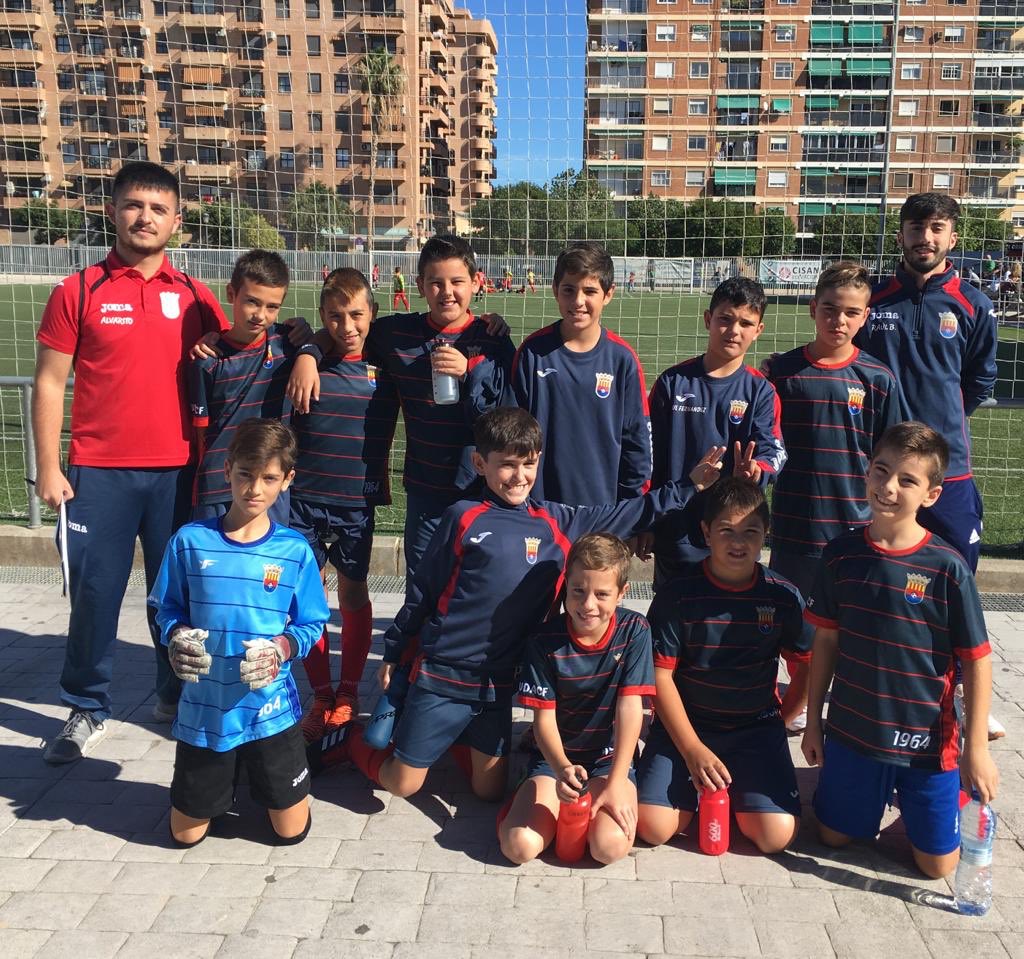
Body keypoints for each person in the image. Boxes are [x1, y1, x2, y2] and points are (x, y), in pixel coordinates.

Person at [330, 407, 689, 802]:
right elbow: (424, 592)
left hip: (497, 684)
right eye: (507, 465)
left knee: (489, 792)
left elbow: (630, 511)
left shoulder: (556, 522)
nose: (519, 476)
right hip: (445, 675)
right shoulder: (462, 517)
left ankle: (453, 740)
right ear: (480, 463)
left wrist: (690, 487)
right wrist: (396, 650)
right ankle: (352, 745)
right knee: (403, 784)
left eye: (529, 464)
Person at [33, 161, 229, 763]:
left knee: (174, 595)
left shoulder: (195, 296)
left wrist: (301, 344)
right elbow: (48, 383)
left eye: (158, 208)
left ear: (177, 219)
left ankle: (174, 694)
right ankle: (86, 706)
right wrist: (48, 464)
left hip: (179, 473)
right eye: (134, 205)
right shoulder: (80, 289)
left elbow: (248, 344)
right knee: (96, 593)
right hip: (99, 472)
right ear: (113, 211)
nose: (145, 217)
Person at [801, 422, 999, 878]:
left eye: (907, 480)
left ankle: (935, 798)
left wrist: (976, 751)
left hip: (925, 743)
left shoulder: (947, 568)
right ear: (867, 472)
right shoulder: (840, 555)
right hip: (854, 732)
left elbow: (977, 657)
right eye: (881, 471)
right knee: (833, 837)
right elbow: (826, 641)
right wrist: (814, 724)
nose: (889, 487)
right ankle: (873, 792)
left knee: (937, 867)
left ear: (931, 494)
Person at [288, 235, 515, 598]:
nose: (447, 292)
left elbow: (508, 419)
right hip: (424, 490)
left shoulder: (493, 339)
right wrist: (309, 352)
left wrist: (470, 372)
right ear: (420, 285)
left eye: (457, 282)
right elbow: (347, 326)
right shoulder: (397, 334)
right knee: (422, 589)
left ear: (476, 282)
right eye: (436, 282)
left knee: (478, 588)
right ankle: (416, 656)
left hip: (481, 490)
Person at [857, 192, 1004, 738]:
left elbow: (980, 381)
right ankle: (871, 685)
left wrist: (935, 437)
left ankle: (964, 695)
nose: (926, 238)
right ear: (901, 235)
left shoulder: (972, 304)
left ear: (953, 238)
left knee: (955, 580)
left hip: (951, 473)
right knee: (878, 577)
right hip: (883, 470)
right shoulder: (875, 300)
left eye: (937, 228)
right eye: (916, 227)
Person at [151, 418, 330, 847]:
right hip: (205, 708)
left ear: (287, 480)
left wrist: (283, 648)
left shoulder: (293, 551)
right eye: (246, 474)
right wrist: (175, 636)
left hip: (269, 710)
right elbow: (166, 607)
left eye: (268, 478)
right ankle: (225, 773)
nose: (254, 488)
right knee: (185, 836)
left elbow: (311, 623)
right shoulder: (190, 541)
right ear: (227, 468)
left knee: (290, 833)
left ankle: (261, 774)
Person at [636, 478, 812, 855]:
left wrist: (780, 724)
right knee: (653, 827)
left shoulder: (782, 596)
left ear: (766, 533)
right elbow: (660, 677)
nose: (738, 542)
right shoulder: (678, 594)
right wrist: (692, 748)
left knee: (775, 836)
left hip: (753, 728)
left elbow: (806, 667)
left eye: (750, 532)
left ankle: (735, 789)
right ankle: (694, 783)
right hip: (687, 726)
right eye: (726, 531)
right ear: (705, 532)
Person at [290, 269, 399, 741]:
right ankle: (320, 692)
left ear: (372, 313)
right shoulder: (306, 360)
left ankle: (350, 691)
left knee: (352, 594)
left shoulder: (388, 362)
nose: (347, 325)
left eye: (357, 314)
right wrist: (308, 351)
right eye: (335, 316)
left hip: (356, 504)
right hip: (305, 501)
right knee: (307, 600)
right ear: (322, 317)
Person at [501, 533, 653, 865]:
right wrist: (561, 768)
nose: (587, 605)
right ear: (566, 586)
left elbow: (631, 707)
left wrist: (616, 780)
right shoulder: (544, 640)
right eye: (578, 591)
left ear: (622, 594)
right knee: (519, 847)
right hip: (554, 760)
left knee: (607, 848)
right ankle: (525, 796)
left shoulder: (635, 631)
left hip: (609, 760)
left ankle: (593, 804)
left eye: (602, 594)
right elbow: (542, 721)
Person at [764, 261, 905, 601]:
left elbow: (892, 458)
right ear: (814, 309)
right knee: (796, 633)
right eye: (829, 309)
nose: (839, 321)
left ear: (865, 316)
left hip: (854, 526)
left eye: (851, 312)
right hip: (794, 527)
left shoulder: (878, 379)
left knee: (847, 629)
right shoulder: (782, 373)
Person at [642, 277, 787, 585]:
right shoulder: (673, 383)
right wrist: (646, 521)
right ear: (708, 319)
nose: (734, 330)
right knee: (672, 621)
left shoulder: (760, 392)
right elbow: (648, 456)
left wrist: (757, 471)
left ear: (758, 330)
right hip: (677, 531)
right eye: (725, 319)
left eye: (746, 323)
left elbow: (772, 450)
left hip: (733, 537)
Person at [512, 241, 651, 506]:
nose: (578, 301)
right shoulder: (532, 352)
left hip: (603, 509)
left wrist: (633, 510)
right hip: (539, 508)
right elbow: (512, 434)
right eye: (568, 290)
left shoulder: (622, 360)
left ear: (608, 294)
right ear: (555, 291)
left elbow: (637, 441)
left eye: (589, 291)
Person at [189, 250, 306, 525]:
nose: (260, 315)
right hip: (218, 485)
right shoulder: (207, 360)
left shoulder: (288, 345)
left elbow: (326, 344)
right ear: (231, 294)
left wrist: (309, 352)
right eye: (252, 302)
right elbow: (200, 433)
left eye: (272, 307)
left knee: (267, 565)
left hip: (269, 485)